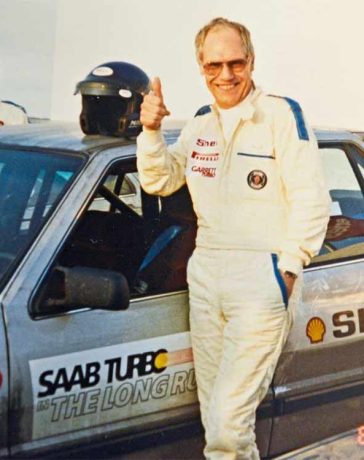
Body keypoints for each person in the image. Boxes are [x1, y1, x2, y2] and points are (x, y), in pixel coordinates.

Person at [136, 17, 331, 460]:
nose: (225, 75)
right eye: (214, 66)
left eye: (235, 63)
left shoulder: (281, 114)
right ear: (200, 67)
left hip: (260, 277)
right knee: (218, 419)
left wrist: (287, 268)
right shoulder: (200, 124)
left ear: (252, 60)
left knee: (228, 420)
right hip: (206, 275)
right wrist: (149, 132)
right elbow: (160, 180)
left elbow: (310, 198)